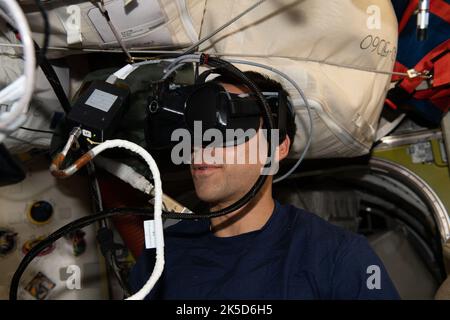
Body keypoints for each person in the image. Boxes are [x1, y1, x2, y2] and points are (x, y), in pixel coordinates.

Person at [129, 71, 400, 299]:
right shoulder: (163, 255)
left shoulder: (337, 258)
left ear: (276, 148)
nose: (202, 144)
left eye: (228, 128)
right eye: (197, 129)